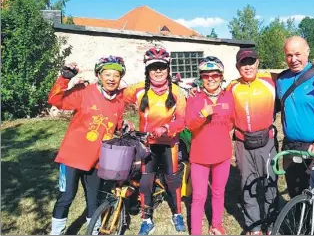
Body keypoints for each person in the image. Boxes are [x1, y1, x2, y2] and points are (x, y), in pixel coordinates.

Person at [48, 56, 128, 235]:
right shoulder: (84, 92)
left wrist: (123, 126)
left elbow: (116, 124)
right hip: (71, 157)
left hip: (96, 161)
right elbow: (55, 100)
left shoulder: (119, 102)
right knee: (66, 197)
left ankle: (93, 231)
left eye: (116, 75)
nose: (111, 79)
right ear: (99, 75)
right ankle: (57, 232)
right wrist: (64, 78)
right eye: (107, 74)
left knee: (94, 201)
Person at [123, 46, 187, 235]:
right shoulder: (138, 90)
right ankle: (147, 219)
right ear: (147, 70)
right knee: (145, 182)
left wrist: (167, 128)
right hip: (147, 145)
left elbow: (183, 120)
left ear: (168, 69)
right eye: (153, 67)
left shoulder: (177, 92)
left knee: (173, 181)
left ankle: (177, 214)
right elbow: (116, 100)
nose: (158, 71)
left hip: (169, 144)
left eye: (162, 67)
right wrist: (123, 120)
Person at [276, 36, 314, 198]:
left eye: (297, 54)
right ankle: (298, 224)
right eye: (289, 55)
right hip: (290, 147)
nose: (293, 59)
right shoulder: (281, 79)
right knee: (295, 193)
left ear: (307, 52)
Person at [185, 56, 235, 235]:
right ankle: (196, 231)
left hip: (222, 155)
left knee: (218, 192)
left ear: (221, 76)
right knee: (199, 196)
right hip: (200, 156)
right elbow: (190, 125)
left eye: (215, 75)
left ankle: (216, 224)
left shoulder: (228, 96)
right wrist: (202, 113)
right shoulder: (194, 98)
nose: (211, 79)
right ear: (201, 78)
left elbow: (231, 122)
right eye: (206, 76)